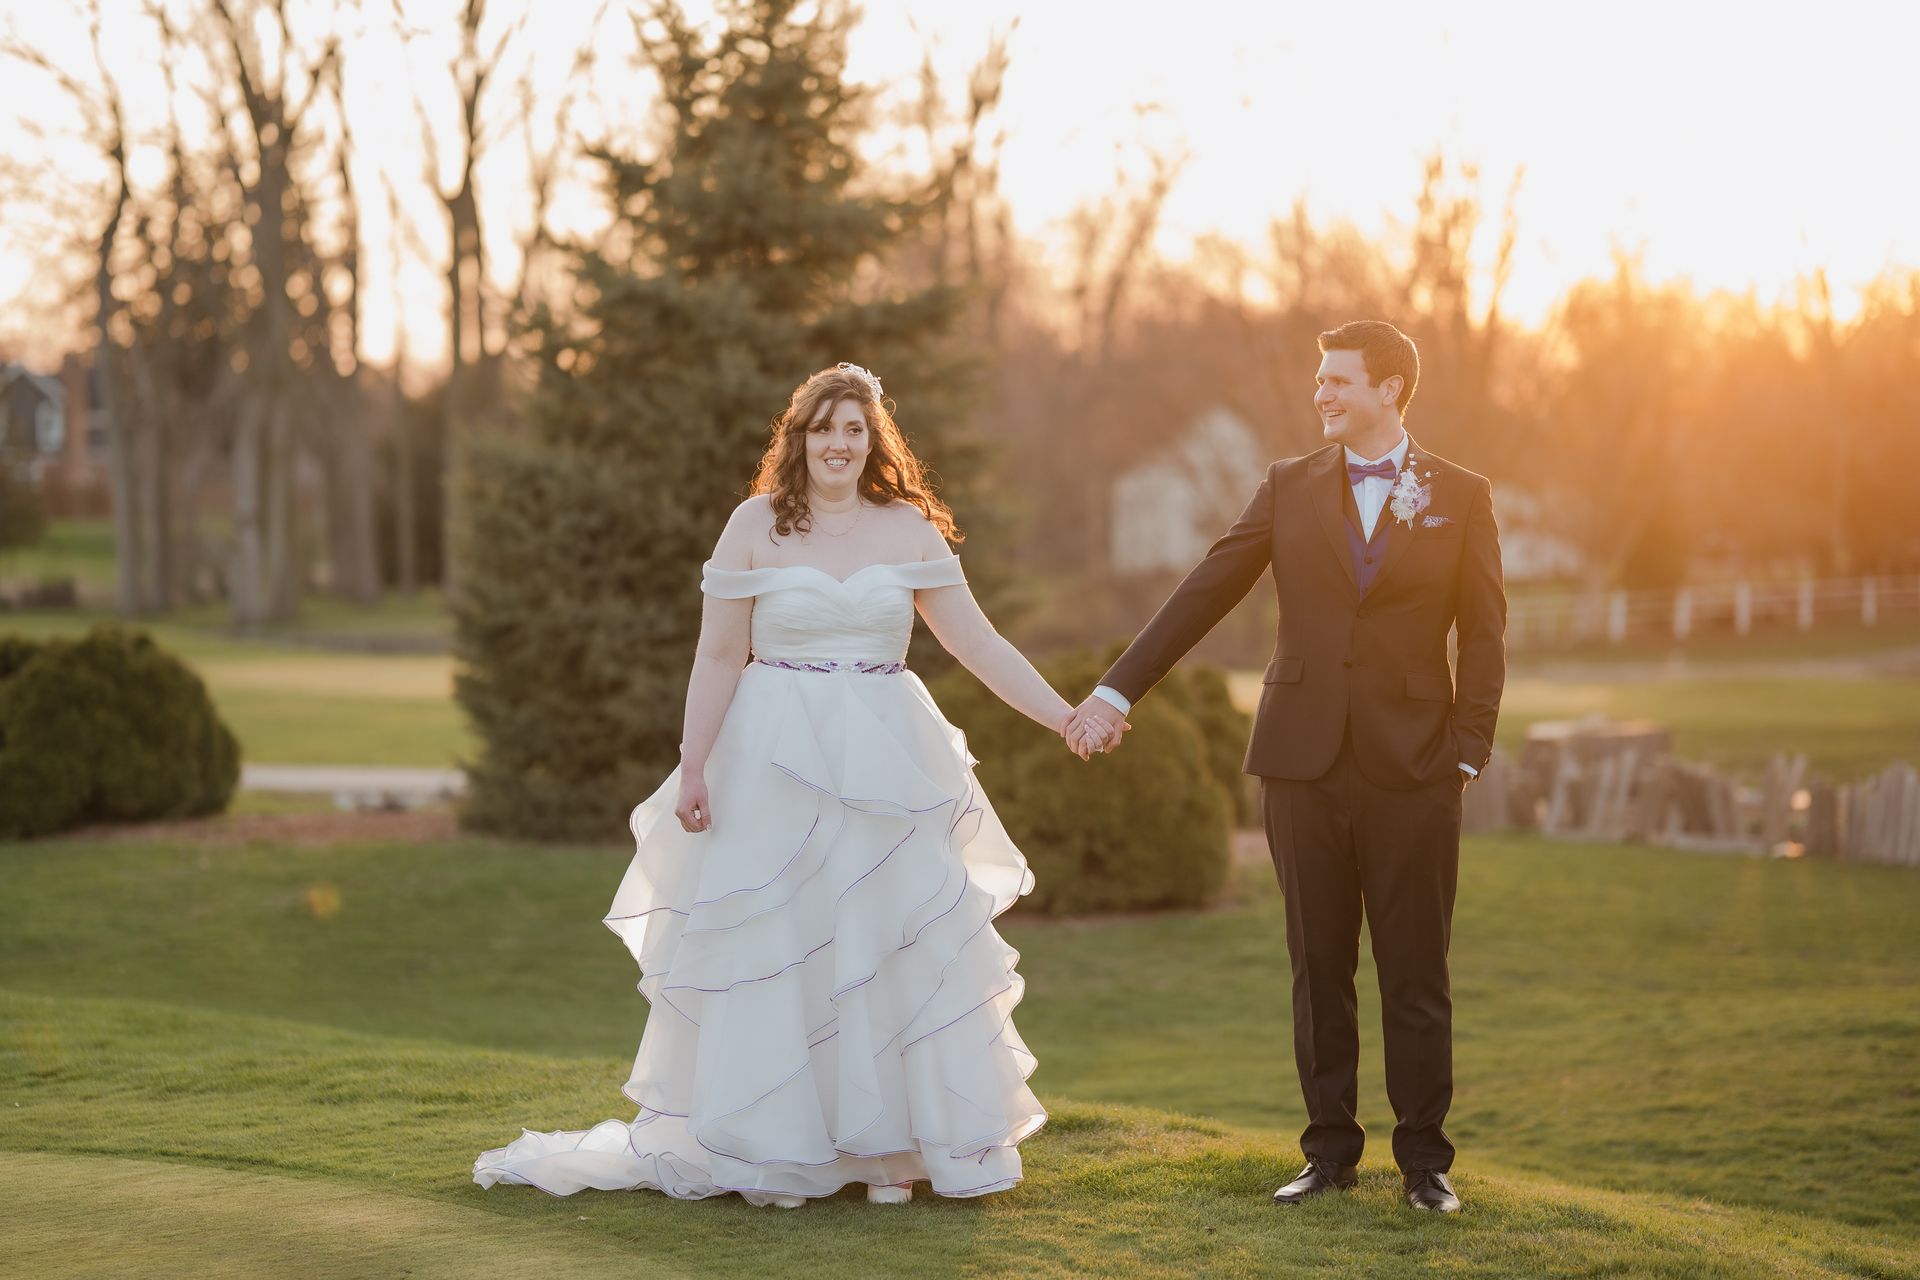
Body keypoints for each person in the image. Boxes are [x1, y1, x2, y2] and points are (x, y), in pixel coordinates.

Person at [475, 363, 1116, 1208]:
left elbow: (981, 646)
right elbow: (716, 655)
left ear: (875, 440)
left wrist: (1066, 714)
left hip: (889, 761)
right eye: (824, 429)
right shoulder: (752, 527)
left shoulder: (911, 530)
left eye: (855, 429)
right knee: (784, 945)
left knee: (887, 941)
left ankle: (890, 1152)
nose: (839, 444)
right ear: (799, 438)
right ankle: (789, 1147)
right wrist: (694, 762)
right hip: (775, 756)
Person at [1066, 321, 1506, 1214]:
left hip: (1415, 769)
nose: (1322, 395)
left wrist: (1466, 752)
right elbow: (1207, 587)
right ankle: (1329, 1155)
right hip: (1301, 764)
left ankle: (1425, 1166)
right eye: (1320, 381)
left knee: (1417, 973)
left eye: (1339, 381)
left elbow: (1487, 635)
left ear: (1391, 389)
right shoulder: (1287, 487)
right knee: (1318, 966)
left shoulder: (1462, 495)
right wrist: (1117, 691)